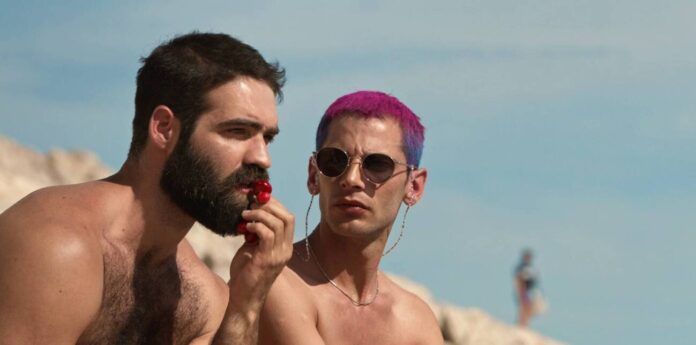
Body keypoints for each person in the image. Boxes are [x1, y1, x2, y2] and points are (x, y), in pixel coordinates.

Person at [0, 32, 295, 344]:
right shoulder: (57, 246)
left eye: (267, 138)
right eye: (237, 131)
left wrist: (246, 305)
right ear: (164, 128)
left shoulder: (203, 297)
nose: (262, 157)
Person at [258, 91, 444, 345]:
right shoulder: (276, 280)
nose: (351, 179)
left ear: (414, 187)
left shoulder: (415, 320)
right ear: (314, 176)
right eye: (334, 161)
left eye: (377, 165)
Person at [514, 248, 544, 327]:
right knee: (524, 308)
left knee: (529, 309)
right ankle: (522, 325)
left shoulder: (529, 267)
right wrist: (520, 291)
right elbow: (518, 279)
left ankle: (524, 325)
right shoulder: (521, 267)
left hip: (529, 290)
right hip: (523, 290)